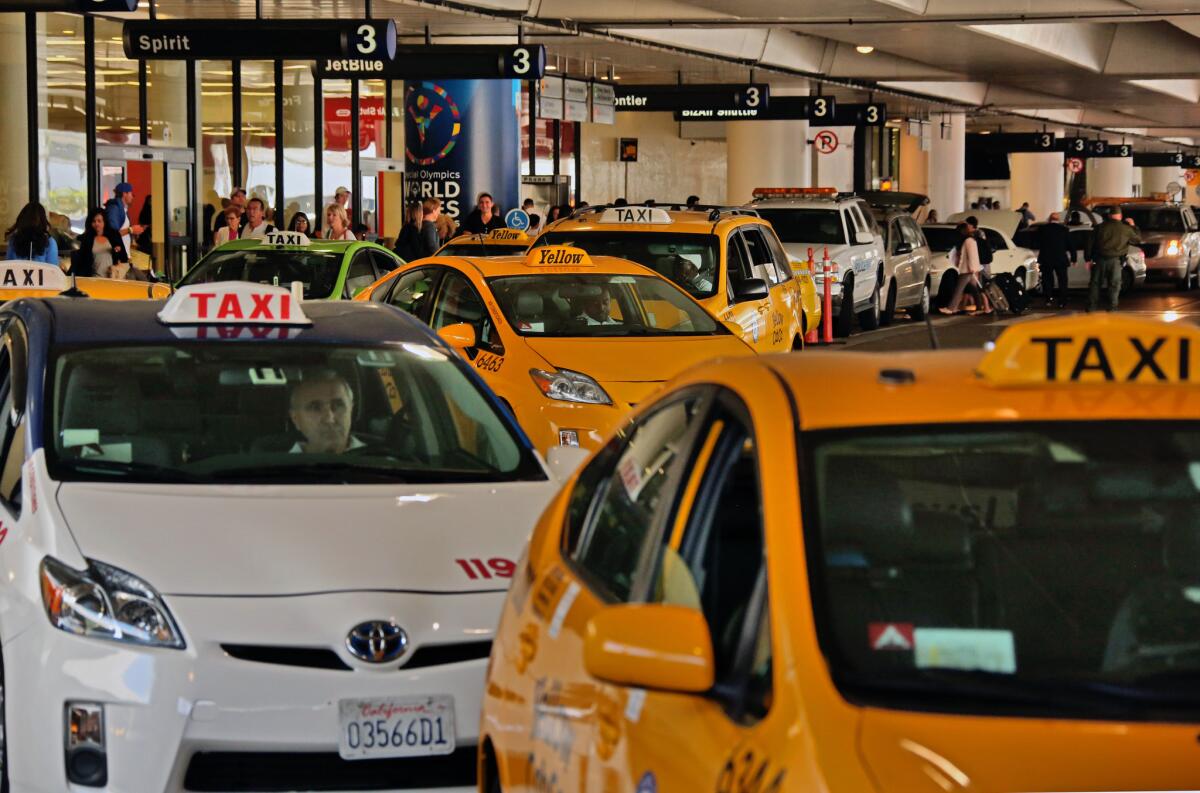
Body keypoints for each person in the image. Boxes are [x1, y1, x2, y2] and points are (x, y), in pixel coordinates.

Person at [288, 370, 365, 454]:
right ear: (296, 419)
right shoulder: (280, 464)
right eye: (315, 408)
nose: (329, 419)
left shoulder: (377, 457)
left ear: (351, 409)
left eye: (338, 406)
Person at [1088, 207, 1139, 312]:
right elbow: (1137, 239)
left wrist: (1088, 259)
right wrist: (1133, 226)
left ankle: (1091, 307)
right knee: (1115, 285)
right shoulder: (1126, 229)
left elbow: (1089, 244)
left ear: (1109, 215)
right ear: (1120, 216)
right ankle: (1112, 307)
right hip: (1116, 261)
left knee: (1095, 284)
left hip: (1100, 260)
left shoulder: (1099, 228)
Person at [939, 223, 993, 316]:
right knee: (974, 289)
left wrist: (972, 267)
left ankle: (951, 308)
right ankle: (979, 308)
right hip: (970, 269)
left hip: (967, 269)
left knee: (959, 289)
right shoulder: (970, 240)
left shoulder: (968, 241)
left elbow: (972, 255)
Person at [70, 208, 127, 278]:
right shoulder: (86, 239)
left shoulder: (114, 236)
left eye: (99, 221)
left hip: (113, 279)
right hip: (94, 279)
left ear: (104, 222)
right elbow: (82, 263)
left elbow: (124, 258)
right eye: (94, 221)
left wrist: (117, 251)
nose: (96, 223)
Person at [1035, 212, 1073, 308]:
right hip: (1060, 259)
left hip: (1046, 258)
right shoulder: (1064, 230)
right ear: (1058, 220)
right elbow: (1070, 245)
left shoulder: (1042, 229)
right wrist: (1074, 257)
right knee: (1062, 280)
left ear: (1049, 219)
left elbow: (1037, 243)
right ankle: (1062, 301)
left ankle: (1048, 299)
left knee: (1047, 280)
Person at [104, 183, 144, 254]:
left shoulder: (122, 209)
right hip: (118, 258)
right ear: (125, 193)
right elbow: (112, 235)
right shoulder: (114, 209)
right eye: (131, 194)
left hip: (123, 257)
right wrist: (131, 230)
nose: (132, 197)